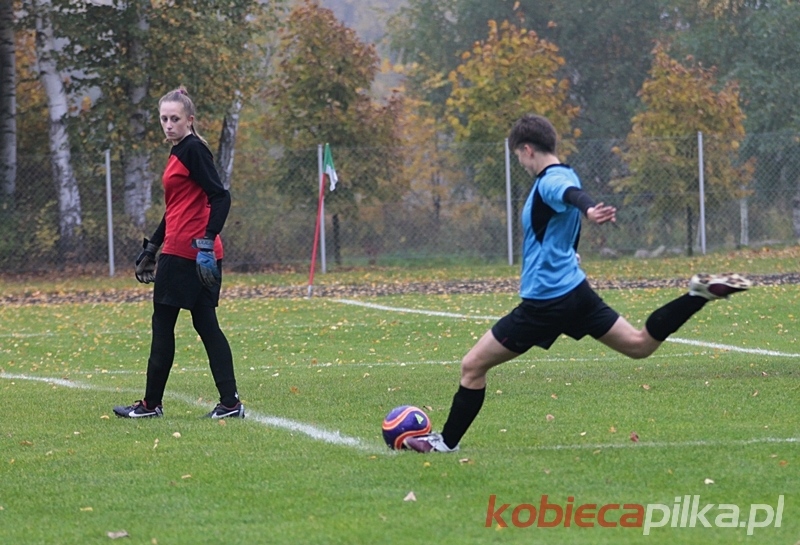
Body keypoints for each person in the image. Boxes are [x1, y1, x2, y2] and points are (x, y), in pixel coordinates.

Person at [404, 113, 750, 452]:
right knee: (639, 345)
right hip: (574, 293)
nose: (521, 163)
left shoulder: (550, 181)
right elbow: (564, 215)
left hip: (544, 303)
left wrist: (589, 210)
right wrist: (571, 247)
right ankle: (696, 294)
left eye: (518, 156)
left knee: (472, 366)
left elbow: (571, 195)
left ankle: (445, 443)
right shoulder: (567, 172)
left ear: (527, 149)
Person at [113, 87, 244, 419]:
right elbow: (175, 209)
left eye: (175, 118)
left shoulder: (193, 150)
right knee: (206, 324)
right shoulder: (180, 151)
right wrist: (152, 247)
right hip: (189, 251)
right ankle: (230, 404)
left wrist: (206, 240)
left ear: (190, 120)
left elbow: (221, 197)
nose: (168, 125)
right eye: (164, 119)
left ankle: (150, 405)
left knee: (163, 323)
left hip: (188, 252)